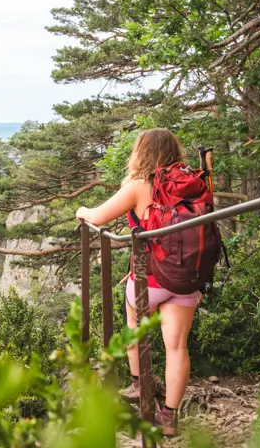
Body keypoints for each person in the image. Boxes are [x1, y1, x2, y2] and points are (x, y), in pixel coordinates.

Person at [75, 128, 200, 437]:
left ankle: (138, 384)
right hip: (186, 276)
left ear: (141, 152)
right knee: (176, 346)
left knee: (133, 324)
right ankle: (169, 417)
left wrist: (81, 211)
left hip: (151, 277)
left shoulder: (139, 184)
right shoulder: (191, 184)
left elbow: (98, 216)